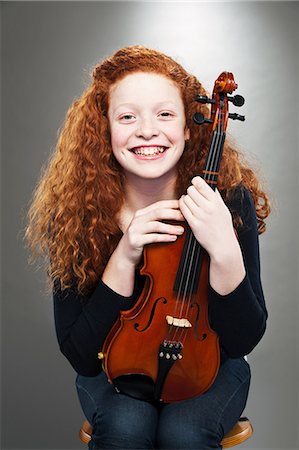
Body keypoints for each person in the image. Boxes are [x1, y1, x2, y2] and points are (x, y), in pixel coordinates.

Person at [25, 45, 270, 449]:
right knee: (125, 426)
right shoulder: (76, 212)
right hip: (110, 371)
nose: (146, 130)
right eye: (127, 117)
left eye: (165, 114)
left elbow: (242, 340)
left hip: (210, 364)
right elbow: (82, 355)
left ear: (190, 128)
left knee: (185, 432)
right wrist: (124, 255)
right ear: (105, 130)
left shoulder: (226, 200)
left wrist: (225, 249)